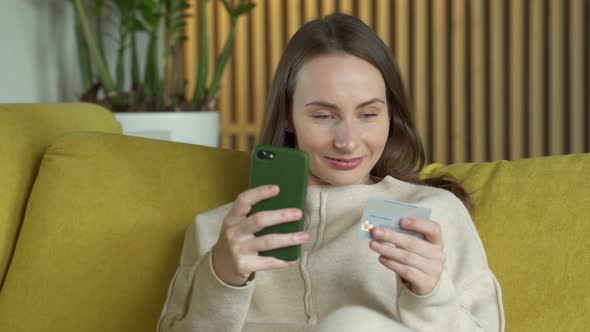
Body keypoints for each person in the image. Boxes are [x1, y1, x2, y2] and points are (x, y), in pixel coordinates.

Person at [158, 13, 505, 332]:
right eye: (323, 116)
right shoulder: (218, 233)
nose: (348, 142)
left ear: (390, 116)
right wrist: (223, 279)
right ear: (288, 116)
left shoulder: (430, 214)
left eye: (368, 114)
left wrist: (431, 296)